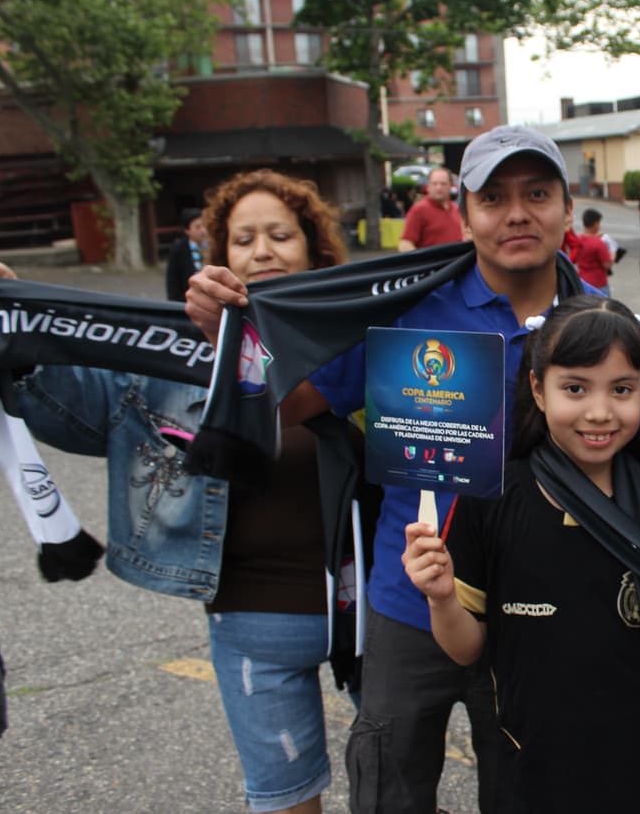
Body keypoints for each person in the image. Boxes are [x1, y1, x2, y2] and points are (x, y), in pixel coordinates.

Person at [186, 124, 587, 813]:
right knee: (388, 782)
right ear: (464, 214)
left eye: (537, 194)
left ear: (567, 208)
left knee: (527, 785)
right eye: (493, 198)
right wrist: (227, 336)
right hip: (411, 599)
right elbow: (296, 400)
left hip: (537, 599)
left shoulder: (598, 319)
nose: (517, 214)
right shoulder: (406, 306)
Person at [0, 170, 355, 814]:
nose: (262, 251)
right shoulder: (172, 348)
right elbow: (73, 408)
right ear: (219, 255)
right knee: (285, 799)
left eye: (280, 235)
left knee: (397, 783)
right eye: (244, 239)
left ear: (314, 248)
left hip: (372, 616)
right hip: (251, 621)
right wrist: (17, 325)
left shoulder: (363, 338)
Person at [403, 295, 640, 813]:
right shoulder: (490, 499)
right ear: (537, 388)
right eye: (575, 388)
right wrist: (441, 598)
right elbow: (465, 649)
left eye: (621, 389)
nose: (599, 412)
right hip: (528, 774)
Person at [398, 167, 464, 252]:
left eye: (443, 184)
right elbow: (405, 244)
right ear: (428, 186)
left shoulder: (458, 210)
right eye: (434, 183)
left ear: (451, 186)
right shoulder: (419, 210)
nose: (438, 188)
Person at [166, 208, 209, 302]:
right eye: (198, 227)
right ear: (187, 230)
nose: (203, 230)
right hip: (188, 300)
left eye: (204, 226)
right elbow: (173, 281)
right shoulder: (178, 249)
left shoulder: (212, 246)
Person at [574, 208, 615, 296]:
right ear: (596, 223)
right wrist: (613, 253)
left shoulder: (577, 239)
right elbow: (607, 265)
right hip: (598, 284)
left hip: (582, 281)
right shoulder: (599, 243)